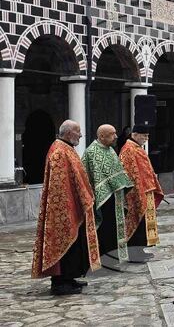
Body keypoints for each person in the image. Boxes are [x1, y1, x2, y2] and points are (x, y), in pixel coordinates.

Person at [32, 120, 101, 295]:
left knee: (74, 245)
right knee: (65, 243)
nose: (81, 135)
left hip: (73, 205)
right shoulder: (59, 151)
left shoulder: (66, 149)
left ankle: (69, 277)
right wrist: (70, 204)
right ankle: (60, 282)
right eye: (78, 132)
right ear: (69, 133)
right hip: (63, 208)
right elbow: (59, 185)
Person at [82, 124, 133, 263]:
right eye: (112, 134)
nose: (116, 136)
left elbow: (118, 172)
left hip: (115, 198)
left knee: (114, 230)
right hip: (102, 200)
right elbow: (88, 179)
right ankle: (106, 261)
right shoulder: (91, 152)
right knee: (105, 232)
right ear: (102, 136)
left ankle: (115, 259)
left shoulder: (110, 150)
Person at [119, 123, 164, 263]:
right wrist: (137, 191)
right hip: (137, 191)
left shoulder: (136, 147)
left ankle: (140, 249)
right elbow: (130, 173)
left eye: (147, 136)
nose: (146, 138)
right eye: (144, 136)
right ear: (135, 134)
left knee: (144, 224)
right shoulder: (128, 149)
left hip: (146, 190)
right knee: (137, 222)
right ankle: (134, 253)